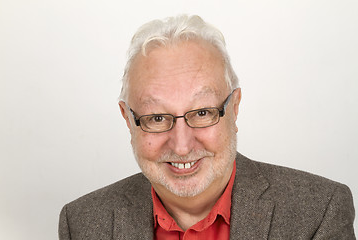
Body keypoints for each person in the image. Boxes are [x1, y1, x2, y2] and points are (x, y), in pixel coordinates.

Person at [58, 14, 355, 239]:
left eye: (202, 112)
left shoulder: (318, 213)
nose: (182, 145)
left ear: (234, 107)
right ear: (127, 118)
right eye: (157, 118)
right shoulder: (82, 223)